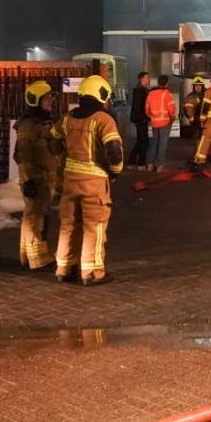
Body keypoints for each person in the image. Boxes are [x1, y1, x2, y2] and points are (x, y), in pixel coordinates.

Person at [49, 75, 124, 286]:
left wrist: (62, 155)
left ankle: (63, 268)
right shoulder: (104, 119)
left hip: (70, 181)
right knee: (94, 227)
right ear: (101, 94)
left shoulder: (67, 118)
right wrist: (115, 172)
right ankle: (92, 272)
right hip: (94, 182)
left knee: (68, 225)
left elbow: (53, 140)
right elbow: (114, 152)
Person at [14, 80, 59, 269]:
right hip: (36, 178)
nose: (50, 101)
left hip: (43, 178)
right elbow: (23, 154)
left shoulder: (42, 121)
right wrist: (29, 180)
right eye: (46, 98)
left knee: (35, 216)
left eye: (50, 98)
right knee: (35, 218)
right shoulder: (28, 124)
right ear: (35, 100)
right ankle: (38, 260)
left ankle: (28, 256)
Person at [144, 75, 176, 172]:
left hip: (154, 122)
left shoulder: (150, 94)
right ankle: (159, 165)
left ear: (158, 82)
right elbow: (172, 109)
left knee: (153, 143)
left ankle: (149, 164)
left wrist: (152, 117)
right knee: (162, 144)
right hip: (165, 122)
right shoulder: (167, 94)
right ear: (167, 83)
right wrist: (172, 119)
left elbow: (147, 109)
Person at [127, 71, 151, 170]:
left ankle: (133, 161)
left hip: (140, 119)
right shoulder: (140, 91)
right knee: (143, 141)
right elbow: (138, 106)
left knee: (141, 141)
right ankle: (140, 163)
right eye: (147, 78)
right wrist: (143, 118)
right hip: (141, 119)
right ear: (142, 79)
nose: (149, 80)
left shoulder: (142, 90)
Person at [182, 76, 206, 144]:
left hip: (206, 120)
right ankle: (198, 149)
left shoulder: (207, 95)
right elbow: (185, 109)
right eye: (196, 86)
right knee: (198, 139)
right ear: (193, 87)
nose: (198, 87)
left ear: (202, 86)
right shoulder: (190, 97)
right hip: (196, 121)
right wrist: (191, 119)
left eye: (200, 86)